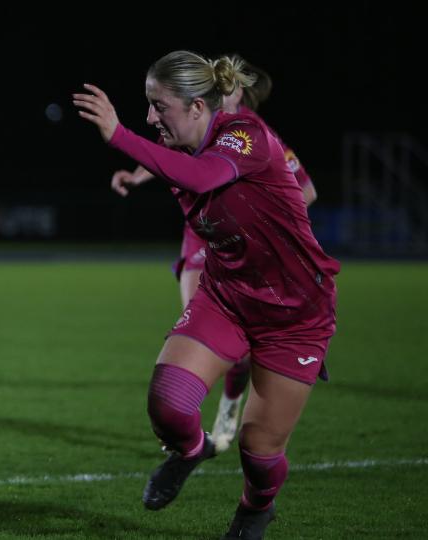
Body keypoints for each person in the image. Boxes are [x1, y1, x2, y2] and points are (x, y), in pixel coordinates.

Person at [73, 51, 339, 539]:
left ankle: (256, 506)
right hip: (228, 297)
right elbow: (183, 168)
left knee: (259, 451)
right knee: (169, 405)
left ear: (198, 108)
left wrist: (117, 136)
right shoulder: (184, 149)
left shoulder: (247, 134)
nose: (150, 117)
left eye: (159, 106)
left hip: (293, 313)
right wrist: (138, 168)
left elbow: (202, 176)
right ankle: (192, 450)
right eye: (147, 106)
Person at [109, 59, 319, 454]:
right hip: (202, 237)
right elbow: (169, 158)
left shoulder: (252, 134)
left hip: (250, 252)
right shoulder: (185, 127)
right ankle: (188, 423)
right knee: (202, 331)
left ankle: (228, 405)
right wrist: (137, 175)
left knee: (241, 362)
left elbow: (305, 189)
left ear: (236, 91)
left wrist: (274, 226)